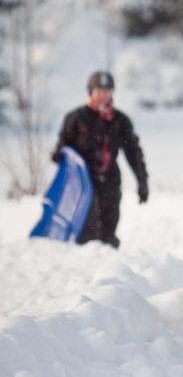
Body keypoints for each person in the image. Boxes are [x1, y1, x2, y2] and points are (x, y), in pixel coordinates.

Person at [52, 71, 149, 248]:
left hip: (110, 180)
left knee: (108, 229)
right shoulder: (76, 118)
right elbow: (62, 147)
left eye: (108, 90)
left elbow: (133, 152)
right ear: (90, 92)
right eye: (99, 90)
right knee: (87, 229)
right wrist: (59, 154)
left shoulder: (120, 121)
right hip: (83, 183)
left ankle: (108, 266)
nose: (104, 95)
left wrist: (142, 180)